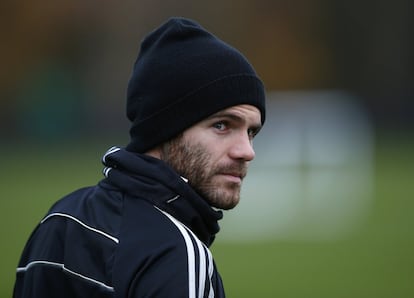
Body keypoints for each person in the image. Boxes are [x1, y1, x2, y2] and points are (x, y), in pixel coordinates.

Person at [14, 17, 266, 298]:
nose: (247, 151)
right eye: (222, 125)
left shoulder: (61, 219)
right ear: (167, 127)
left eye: (251, 132)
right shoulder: (178, 255)